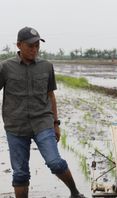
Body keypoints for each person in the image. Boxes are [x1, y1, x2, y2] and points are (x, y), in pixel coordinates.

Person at [0, 27, 85, 198]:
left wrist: (56, 124)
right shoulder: (5, 67)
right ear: (19, 45)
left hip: (42, 123)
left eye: (37, 46)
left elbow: (50, 95)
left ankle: (75, 193)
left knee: (55, 162)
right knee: (20, 173)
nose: (34, 49)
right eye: (30, 46)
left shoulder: (46, 67)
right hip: (15, 126)